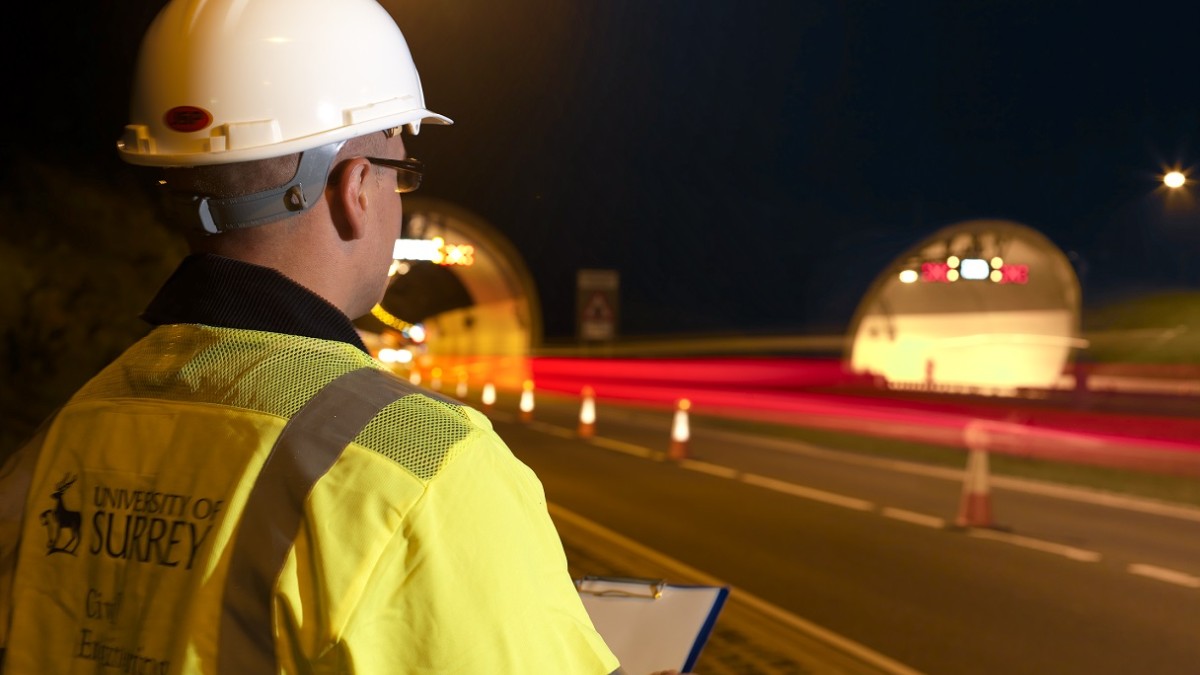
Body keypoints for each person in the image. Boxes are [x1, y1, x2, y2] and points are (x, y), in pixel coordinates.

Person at [0, 0, 634, 672]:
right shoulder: (429, 468)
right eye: (402, 173)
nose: (399, 197)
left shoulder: (62, 437)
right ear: (354, 190)